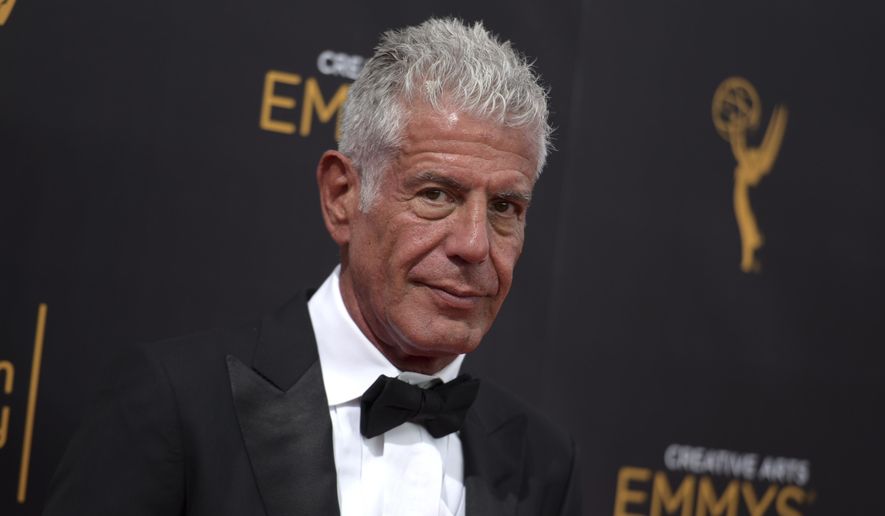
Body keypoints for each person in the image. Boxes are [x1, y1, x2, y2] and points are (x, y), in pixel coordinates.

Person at [43, 18, 580, 516]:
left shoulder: (546, 466)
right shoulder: (173, 407)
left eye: (506, 207)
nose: (473, 245)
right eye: (436, 194)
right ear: (342, 196)